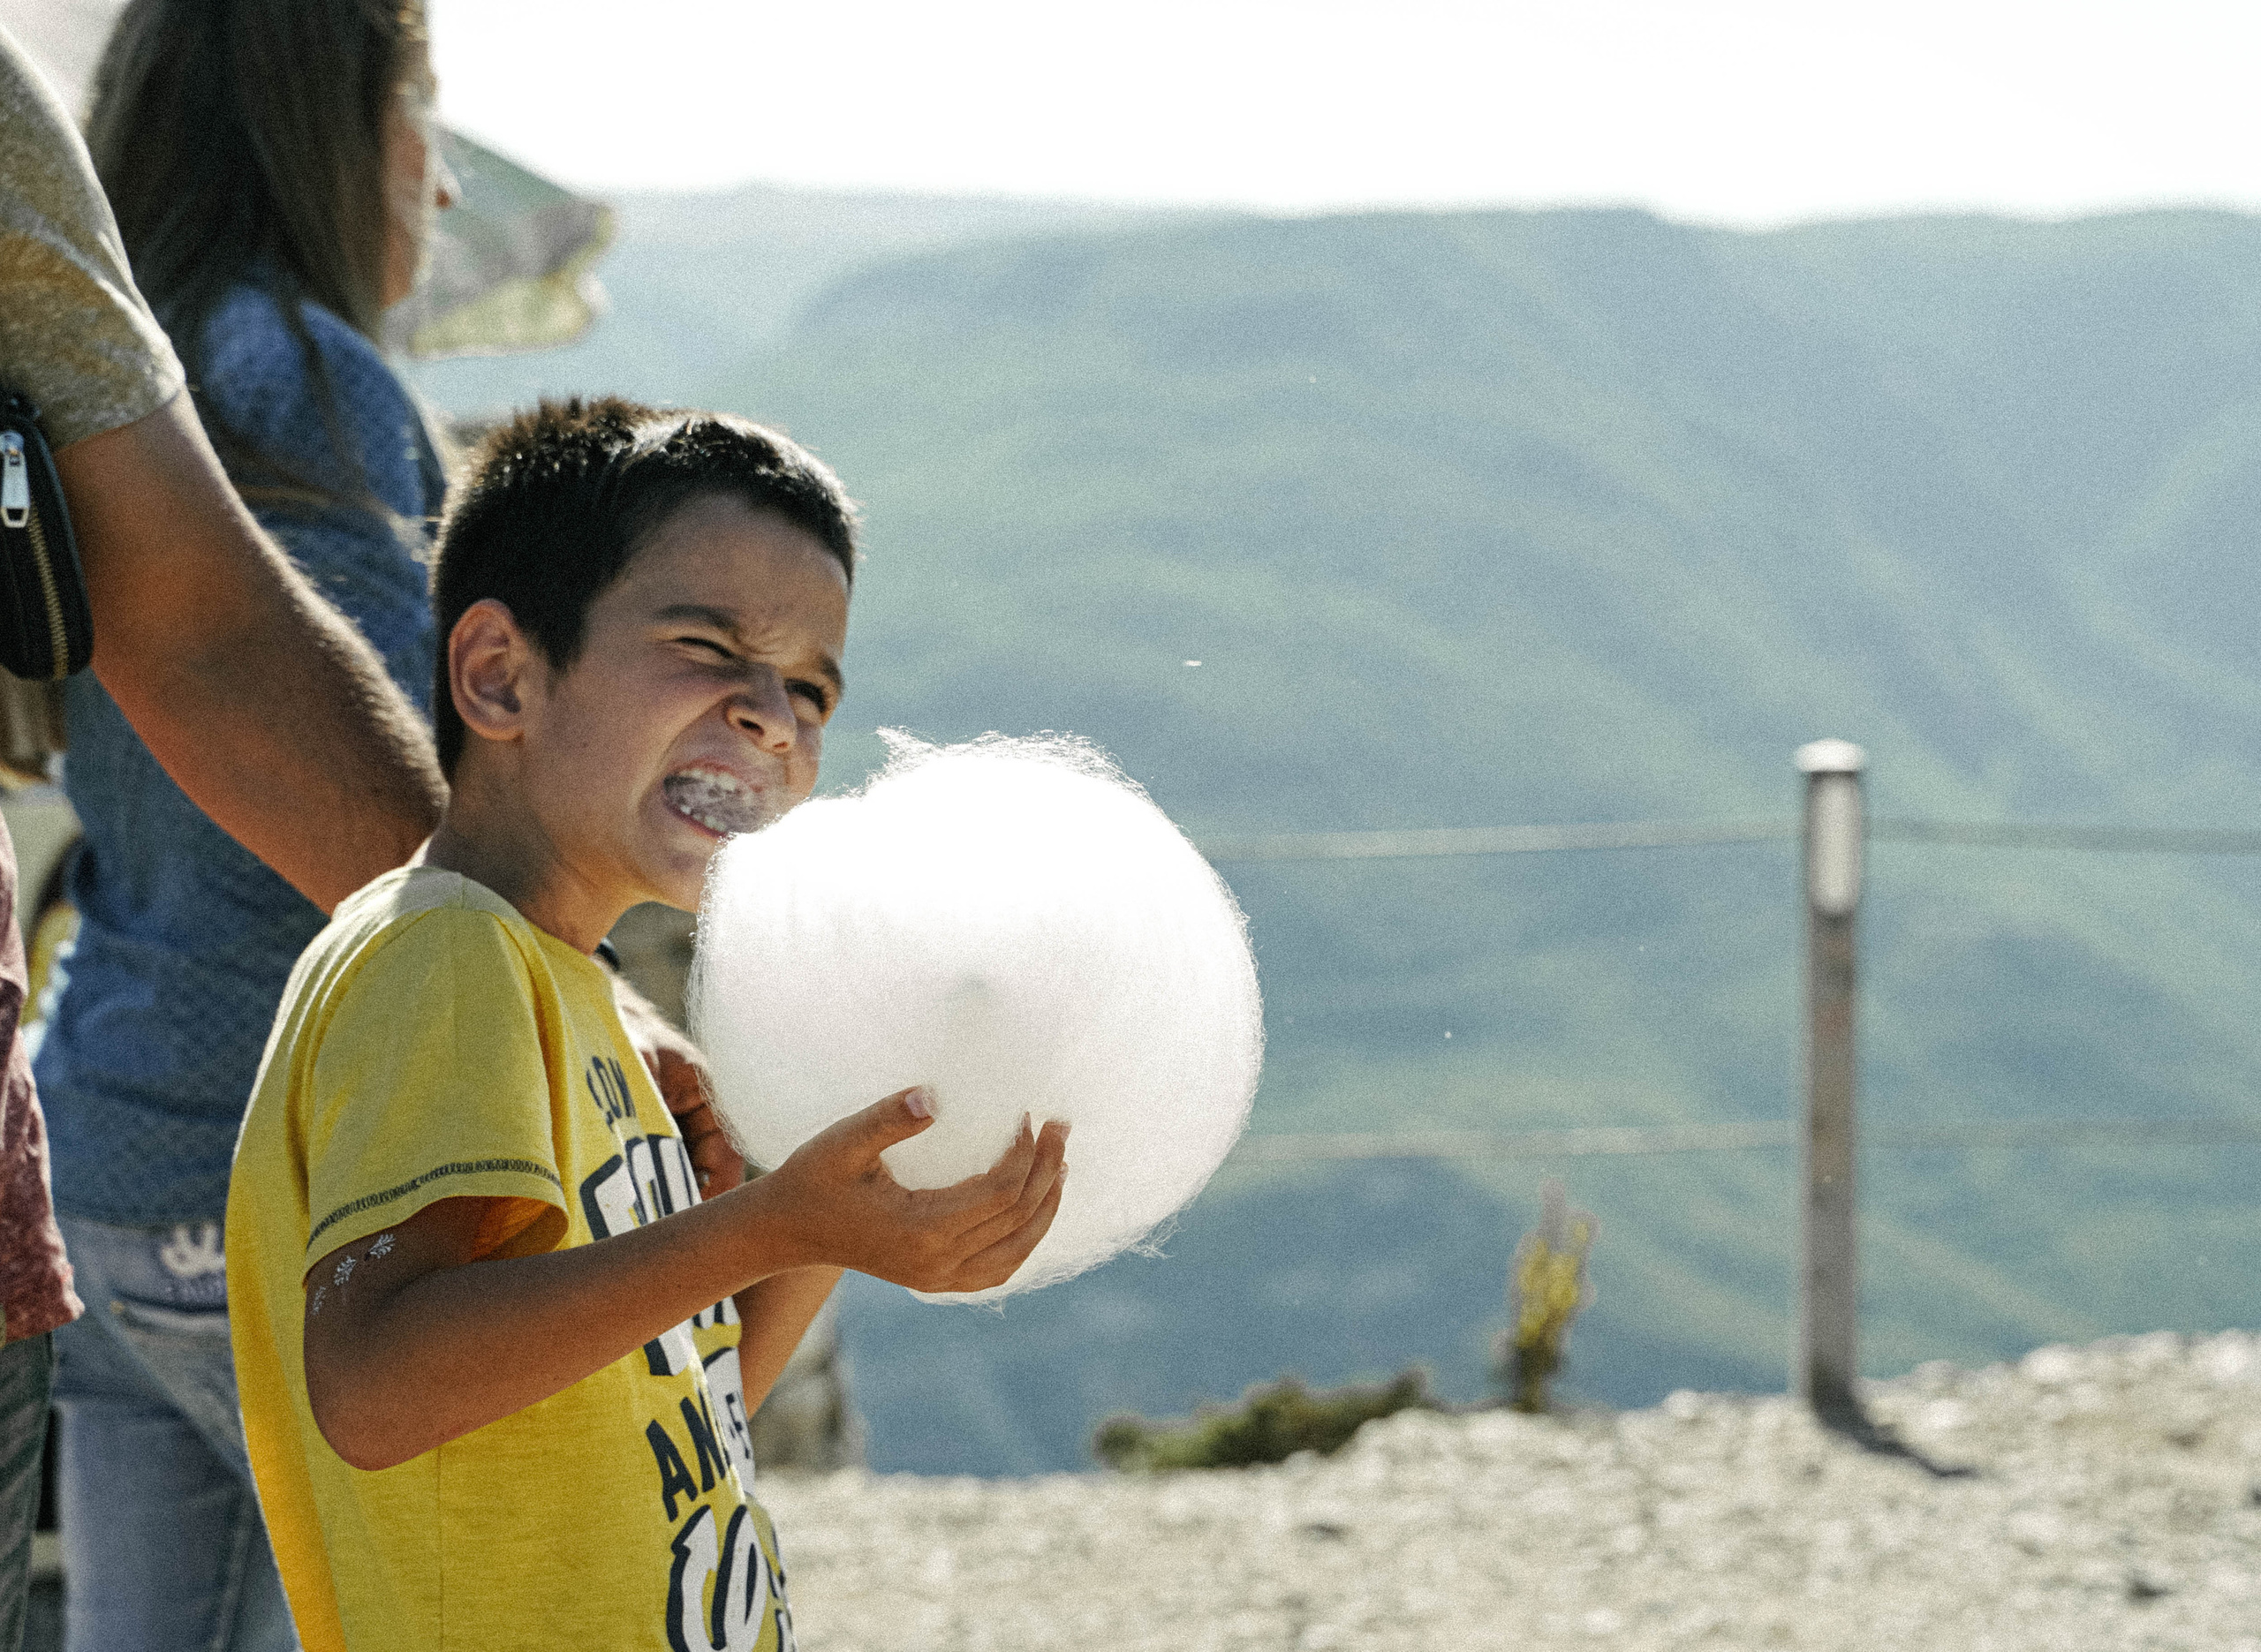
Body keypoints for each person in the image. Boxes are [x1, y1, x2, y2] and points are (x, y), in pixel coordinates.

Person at [225, 398, 1070, 1652]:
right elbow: (378, 1384)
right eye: (706, 645)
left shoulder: (580, 996)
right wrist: (762, 1225)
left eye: (809, 689)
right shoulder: (443, 958)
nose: (771, 718)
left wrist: (835, 1201)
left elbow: (682, 1409)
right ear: (501, 676)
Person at [0, 17, 446, 1652]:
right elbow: (354, 782)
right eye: (421, 116)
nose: (445, 184)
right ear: (334, 128)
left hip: (99, 1157)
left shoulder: (120, 364)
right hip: (276, 1170)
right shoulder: (296, 378)